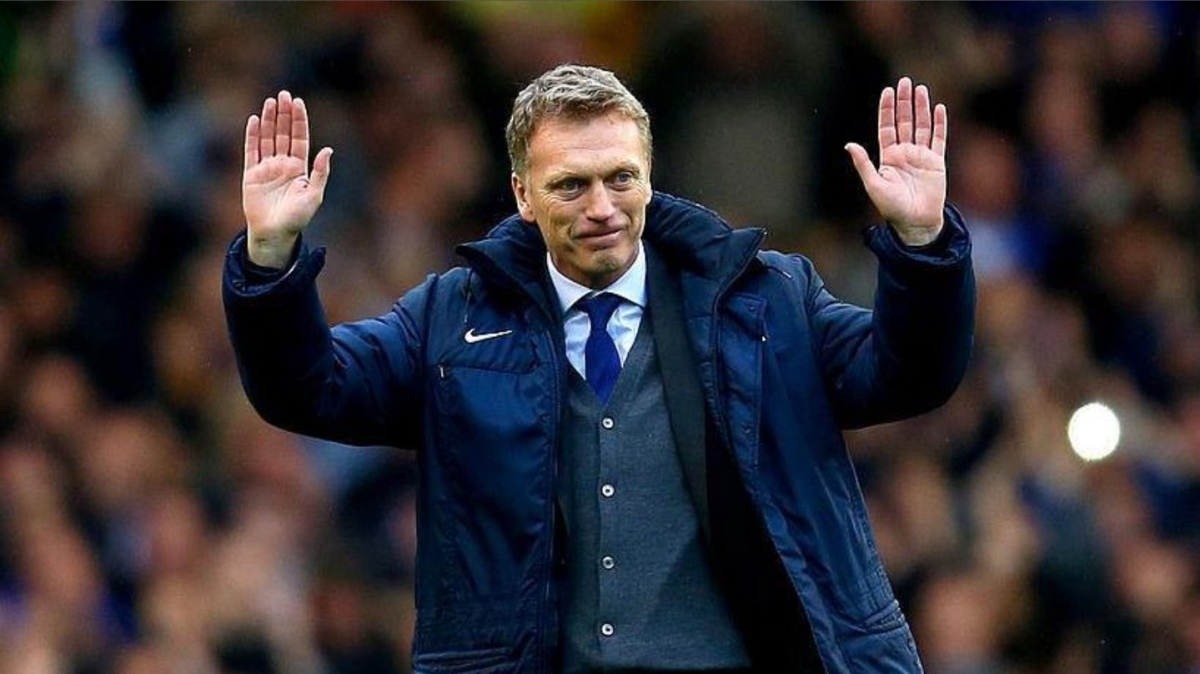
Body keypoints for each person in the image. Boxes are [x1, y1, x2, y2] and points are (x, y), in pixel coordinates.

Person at [223, 64, 974, 673]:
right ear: (522, 195)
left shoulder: (766, 298)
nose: (602, 207)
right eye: (570, 185)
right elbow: (311, 389)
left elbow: (908, 375)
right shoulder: (451, 318)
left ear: (650, 177)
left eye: (621, 178)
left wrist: (922, 244)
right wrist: (270, 259)